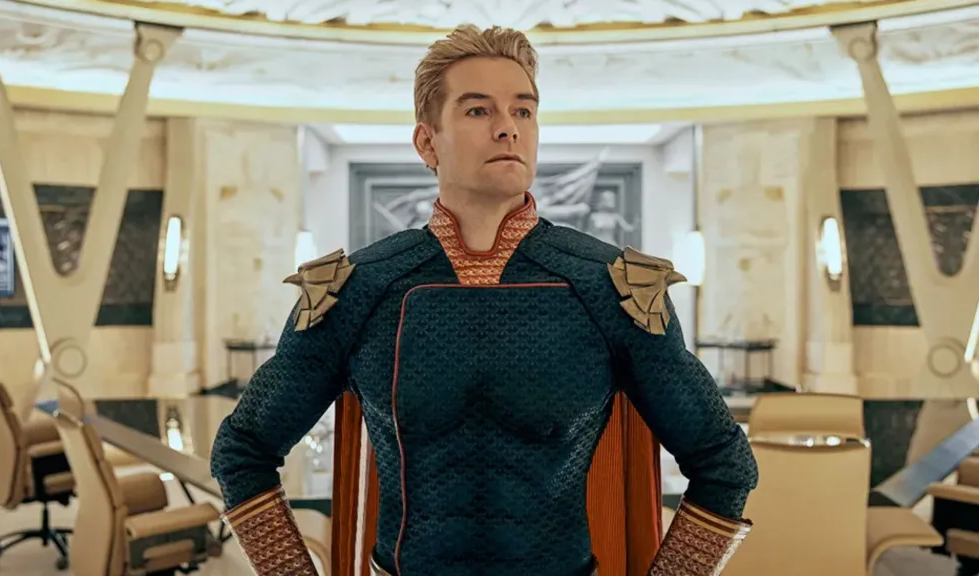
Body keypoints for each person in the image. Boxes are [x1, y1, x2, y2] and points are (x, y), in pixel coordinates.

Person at [210, 24, 757, 576]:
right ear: (427, 142)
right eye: (478, 110)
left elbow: (726, 464)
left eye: (523, 111)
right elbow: (242, 451)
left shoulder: (612, 287)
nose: (507, 128)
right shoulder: (358, 288)